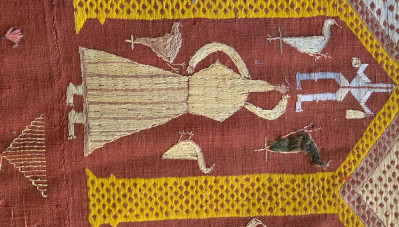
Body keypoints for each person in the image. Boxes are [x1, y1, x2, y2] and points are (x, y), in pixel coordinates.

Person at [67, 42, 288, 155]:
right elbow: (222, 54)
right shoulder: (236, 89)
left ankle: (79, 104)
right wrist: (274, 88)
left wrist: (275, 91)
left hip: (177, 97)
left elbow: (219, 51)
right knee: (136, 99)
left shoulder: (236, 98)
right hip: (177, 93)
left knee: (136, 97)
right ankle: (78, 103)